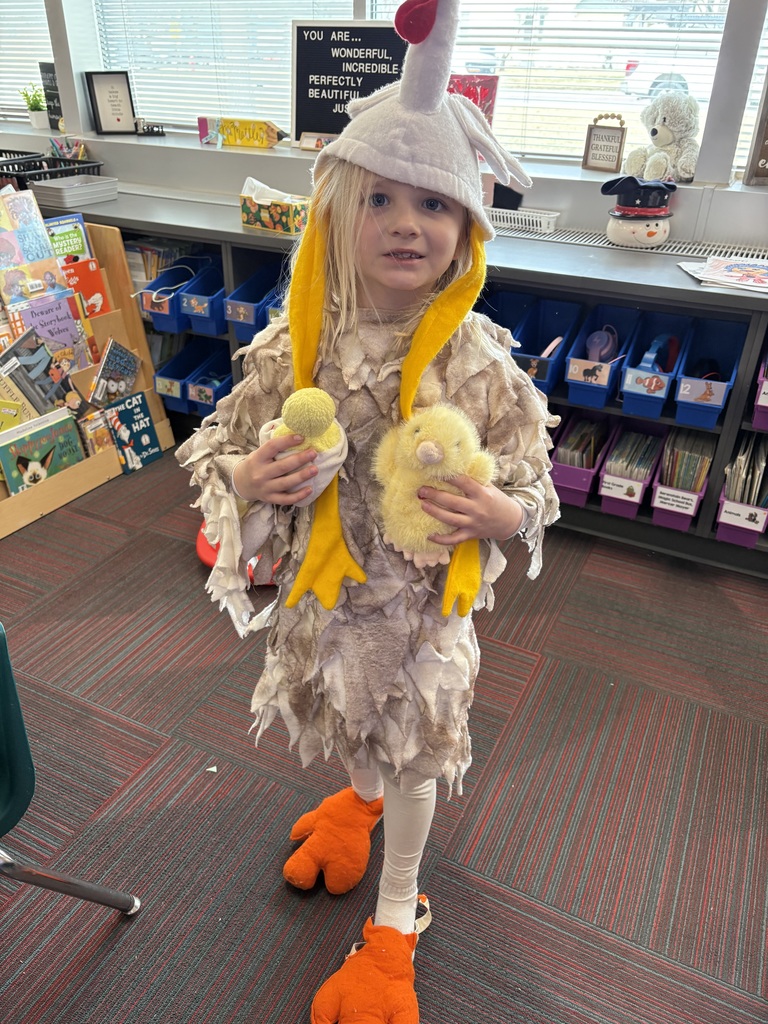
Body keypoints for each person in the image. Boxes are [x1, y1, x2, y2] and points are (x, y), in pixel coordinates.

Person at [177, 0, 560, 1019]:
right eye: (381, 198)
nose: (405, 221)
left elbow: (532, 481)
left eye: (433, 206)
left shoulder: (477, 364)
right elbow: (220, 447)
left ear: (466, 229)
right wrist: (250, 485)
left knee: (412, 745)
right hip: (326, 598)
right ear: (337, 215)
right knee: (349, 730)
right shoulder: (292, 346)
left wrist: (501, 514)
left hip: (421, 616)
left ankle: (395, 923)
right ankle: (356, 804)